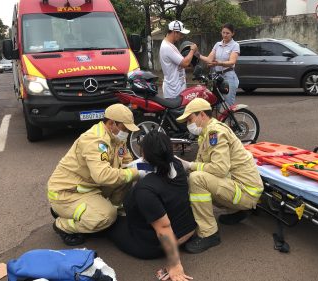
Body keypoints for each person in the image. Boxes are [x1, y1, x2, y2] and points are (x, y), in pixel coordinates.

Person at [47, 104, 144, 246]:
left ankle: (108, 211)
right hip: (67, 193)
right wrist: (138, 172)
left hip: (89, 188)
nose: (127, 133)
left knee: (126, 178)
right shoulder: (94, 141)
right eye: (125, 128)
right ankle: (63, 225)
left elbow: (127, 163)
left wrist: (141, 165)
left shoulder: (117, 138)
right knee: (106, 216)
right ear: (112, 124)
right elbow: (103, 176)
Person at [175, 98, 264, 254]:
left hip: (246, 193)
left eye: (190, 119)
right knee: (197, 176)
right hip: (243, 187)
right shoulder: (206, 133)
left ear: (202, 115)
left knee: (197, 179)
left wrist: (189, 165)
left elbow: (219, 169)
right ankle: (237, 212)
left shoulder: (215, 133)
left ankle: (209, 234)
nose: (188, 124)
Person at [107, 131, 195, 281]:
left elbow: (163, 229)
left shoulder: (146, 189)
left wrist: (175, 265)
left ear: (145, 154)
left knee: (108, 221)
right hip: (187, 230)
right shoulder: (177, 165)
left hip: (151, 245)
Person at [199, 23, 240, 106]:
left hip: (228, 77)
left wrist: (219, 63)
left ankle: (229, 119)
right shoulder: (217, 44)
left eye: (227, 33)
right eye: (223, 32)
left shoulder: (235, 45)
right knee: (215, 104)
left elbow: (232, 62)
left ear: (233, 33)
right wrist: (196, 54)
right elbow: (209, 59)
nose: (225, 35)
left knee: (228, 105)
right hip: (217, 78)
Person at [160, 20, 198, 99]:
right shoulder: (167, 47)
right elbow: (185, 63)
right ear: (174, 32)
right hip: (173, 91)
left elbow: (179, 64)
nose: (181, 37)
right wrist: (192, 50)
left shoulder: (170, 45)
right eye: (180, 34)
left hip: (176, 88)